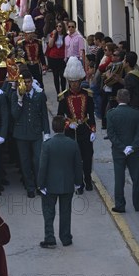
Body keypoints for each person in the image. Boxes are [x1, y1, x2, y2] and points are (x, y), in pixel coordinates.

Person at [38, 115, 83, 248]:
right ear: (65, 127)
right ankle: (66, 238)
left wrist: (40, 184)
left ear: (53, 128)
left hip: (50, 185)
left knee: (48, 212)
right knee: (66, 211)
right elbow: (78, 165)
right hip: (67, 184)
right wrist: (78, 182)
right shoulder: (72, 144)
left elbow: (42, 166)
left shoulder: (47, 145)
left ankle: (50, 238)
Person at [57, 57, 96, 193]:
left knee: (87, 157)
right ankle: (78, 183)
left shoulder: (88, 95)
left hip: (85, 130)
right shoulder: (63, 97)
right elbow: (60, 117)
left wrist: (93, 130)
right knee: (74, 159)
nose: (74, 85)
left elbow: (91, 115)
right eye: (72, 82)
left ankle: (88, 179)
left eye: (77, 82)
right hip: (71, 132)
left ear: (80, 80)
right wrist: (68, 123)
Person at [11, 70, 50, 198]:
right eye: (24, 82)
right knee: (25, 161)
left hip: (36, 132)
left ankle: (40, 185)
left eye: (28, 82)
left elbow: (44, 115)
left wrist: (47, 132)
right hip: (21, 134)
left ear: (32, 82)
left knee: (38, 160)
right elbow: (14, 115)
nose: (26, 85)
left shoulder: (38, 95)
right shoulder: (15, 96)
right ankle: (30, 187)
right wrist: (20, 100)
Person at [107, 89, 139, 213]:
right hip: (133, 151)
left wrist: (123, 147)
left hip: (118, 151)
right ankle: (138, 204)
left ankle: (120, 205)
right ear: (128, 99)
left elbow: (111, 135)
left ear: (117, 99)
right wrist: (132, 147)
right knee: (136, 178)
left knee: (119, 178)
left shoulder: (111, 114)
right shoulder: (136, 113)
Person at [19, 15, 47, 88]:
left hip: (37, 66)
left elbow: (41, 54)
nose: (29, 35)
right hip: (27, 66)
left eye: (31, 33)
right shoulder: (22, 43)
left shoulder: (38, 42)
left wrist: (43, 65)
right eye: (28, 33)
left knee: (39, 82)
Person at [122, 51, 139, 117]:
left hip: (133, 107)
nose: (122, 62)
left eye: (124, 60)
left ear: (127, 63)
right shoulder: (138, 73)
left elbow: (128, 94)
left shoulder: (129, 76)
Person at [46, 21, 67, 94]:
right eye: (57, 26)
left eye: (60, 26)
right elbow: (50, 45)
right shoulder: (53, 34)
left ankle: (63, 91)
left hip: (62, 58)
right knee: (56, 75)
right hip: (53, 57)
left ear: (63, 27)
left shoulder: (66, 36)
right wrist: (53, 35)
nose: (58, 28)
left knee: (62, 75)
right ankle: (58, 92)